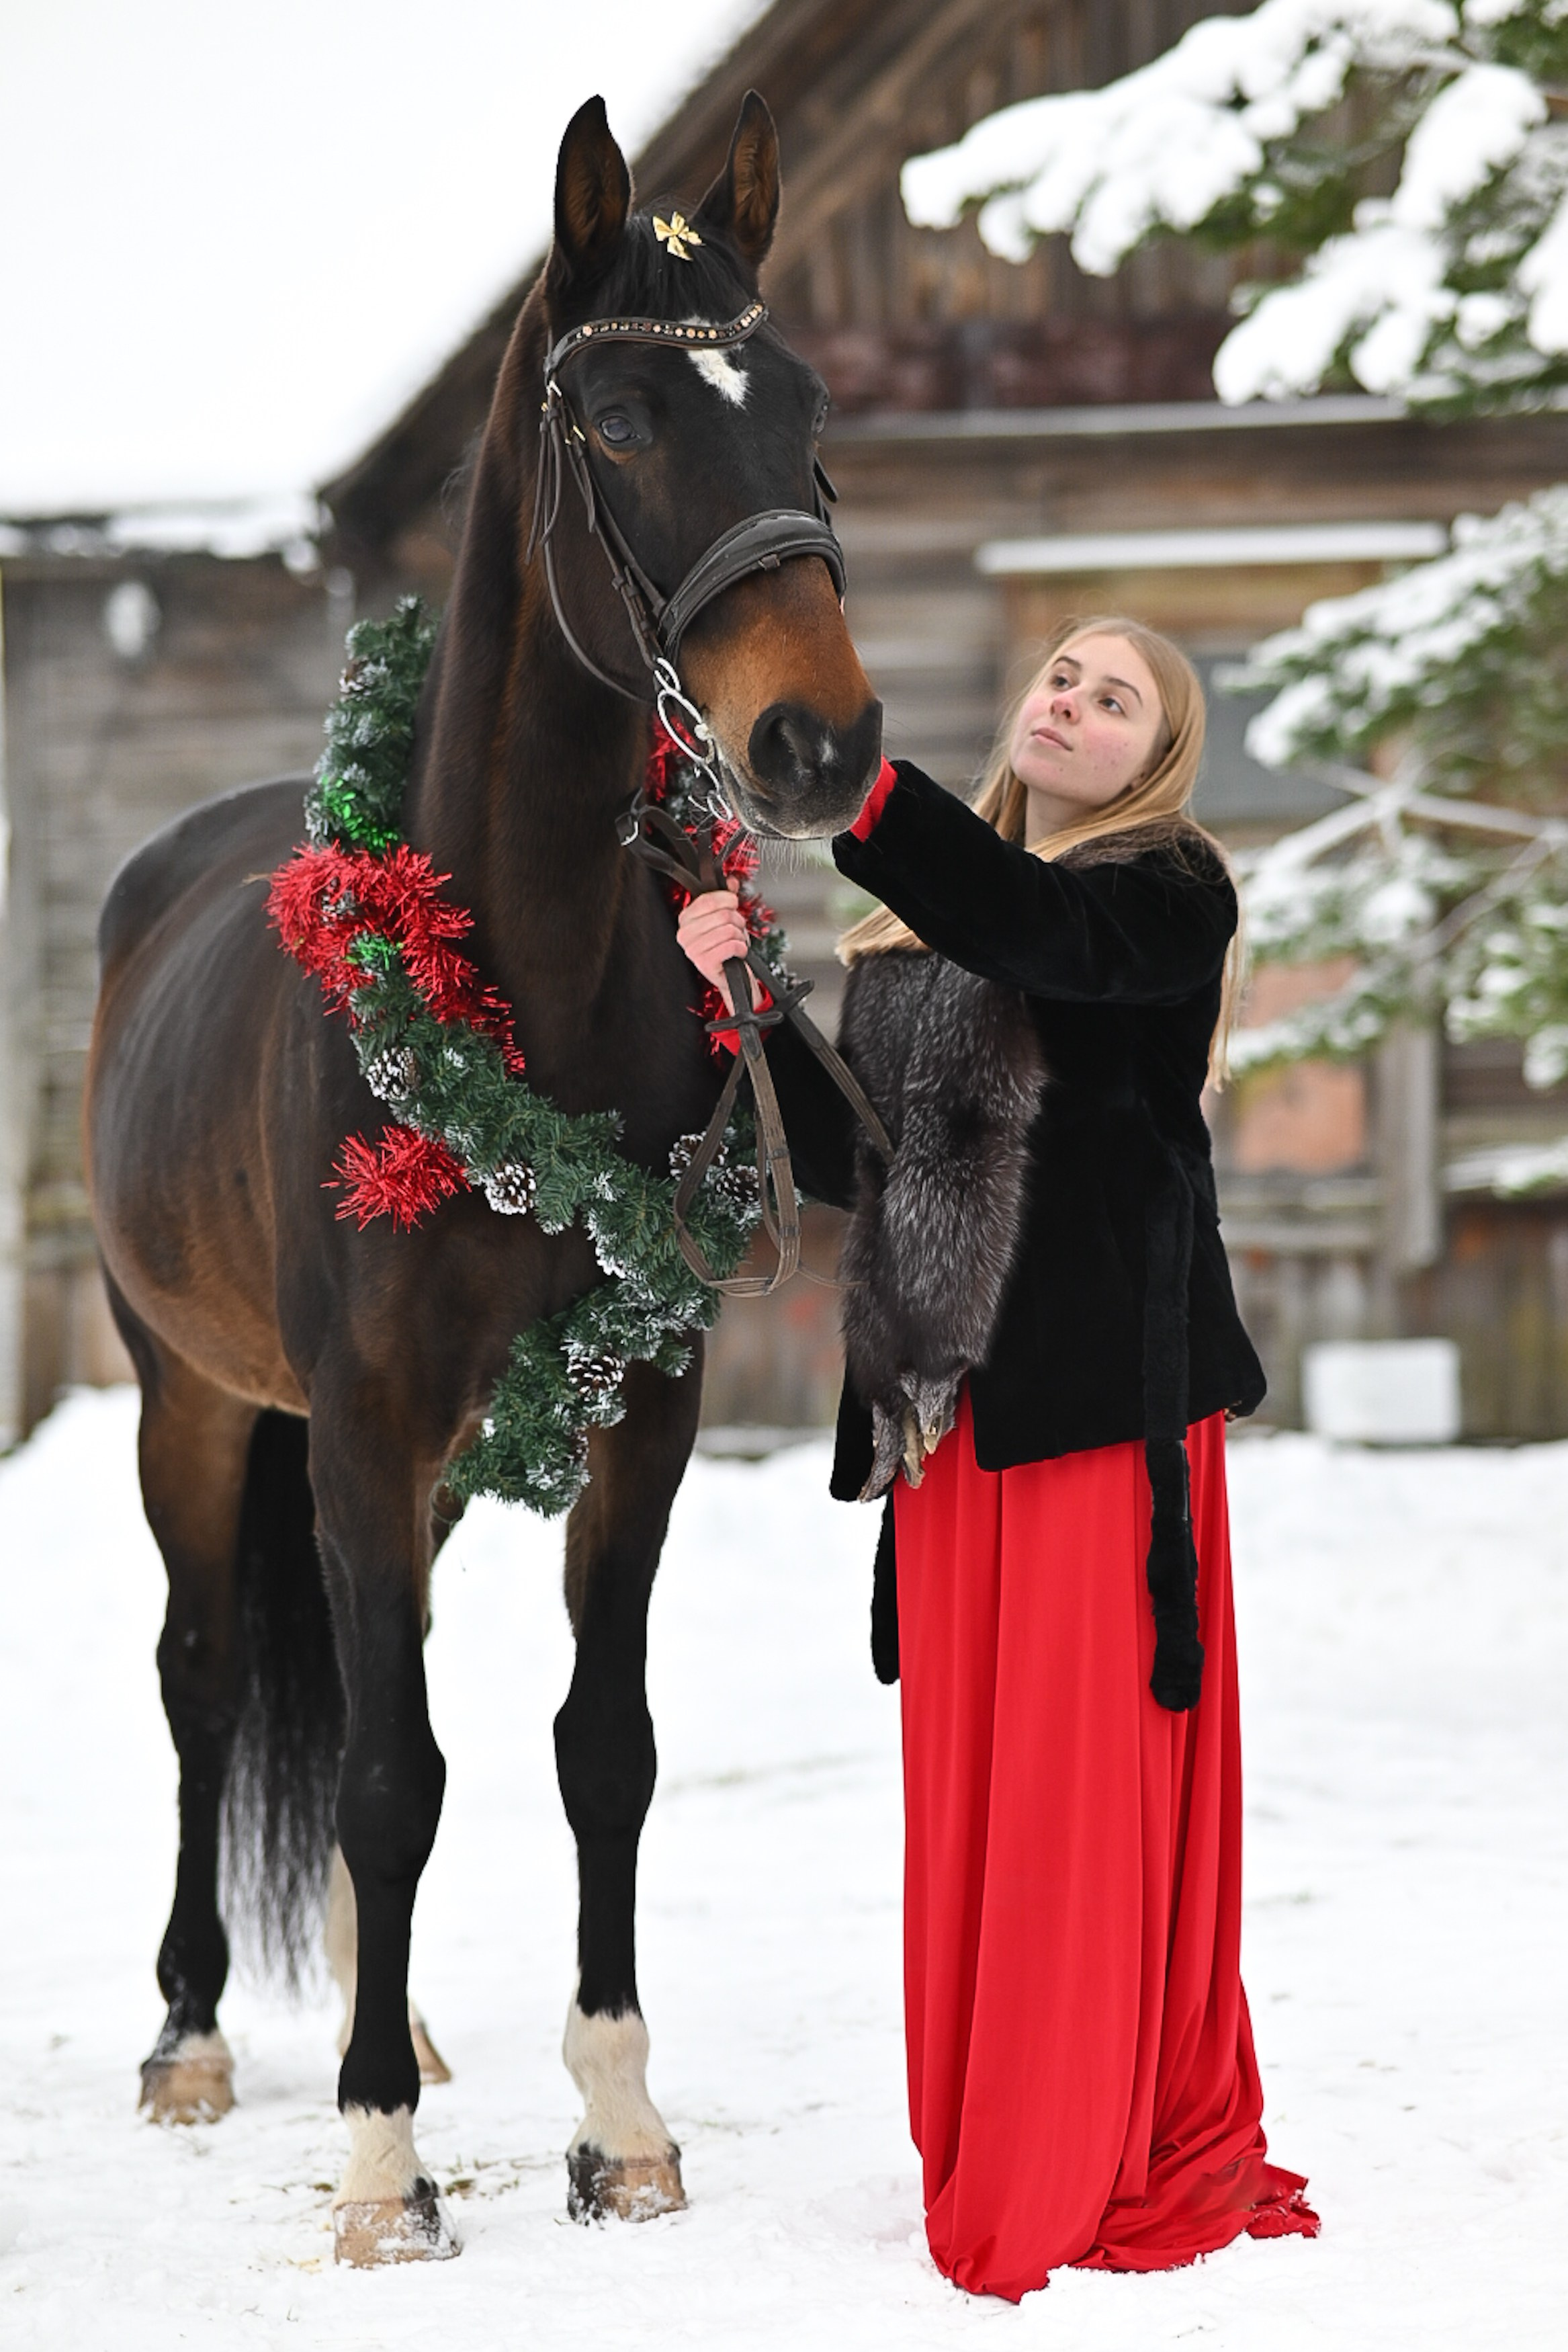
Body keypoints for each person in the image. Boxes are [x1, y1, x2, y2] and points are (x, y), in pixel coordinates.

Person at [676, 616, 1319, 2302]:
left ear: (1157, 755)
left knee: (1071, 1799)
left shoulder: (1166, 896)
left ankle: (1077, 2142)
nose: (1073, 703)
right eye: (1061, 676)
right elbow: (861, 1157)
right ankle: (994, 2115)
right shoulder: (908, 934)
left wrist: (863, 791)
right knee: (977, 1795)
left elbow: (1043, 933)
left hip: (1103, 1418)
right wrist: (748, 995)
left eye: (1118, 698)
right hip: (948, 1421)